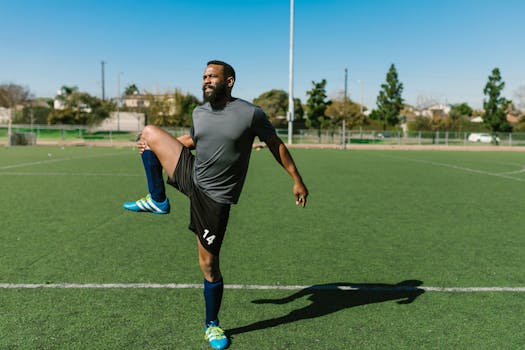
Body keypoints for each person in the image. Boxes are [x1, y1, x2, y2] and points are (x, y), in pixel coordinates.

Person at [123, 60, 308, 350]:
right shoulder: (200, 112)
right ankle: (158, 200)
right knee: (148, 134)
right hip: (192, 175)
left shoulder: (251, 114)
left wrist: (296, 179)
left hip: (215, 198)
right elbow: (194, 141)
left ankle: (212, 324)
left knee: (208, 265)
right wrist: (154, 149)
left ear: (229, 81)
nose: (206, 80)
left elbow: (276, 145)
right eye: (204, 76)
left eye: (212, 76)